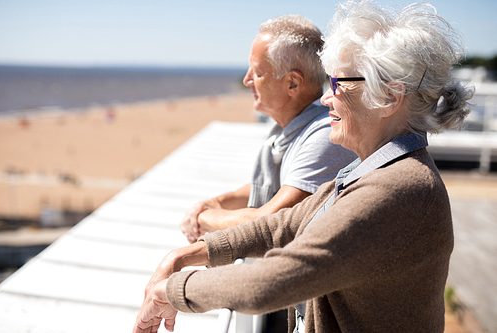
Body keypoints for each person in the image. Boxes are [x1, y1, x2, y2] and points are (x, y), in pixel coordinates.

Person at [133, 1, 474, 332]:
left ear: (388, 97)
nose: (326, 98)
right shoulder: (374, 171)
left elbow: (269, 283)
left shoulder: (400, 190)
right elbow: (279, 226)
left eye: (339, 84)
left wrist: (172, 290)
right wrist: (183, 257)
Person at [180, 15, 356, 243]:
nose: (246, 80)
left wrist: (204, 217)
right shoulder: (289, 130)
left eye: (257, 73)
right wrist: (214, 203)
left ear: (292, 83)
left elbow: (270, 222)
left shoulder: (325, 135)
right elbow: (282, 184)